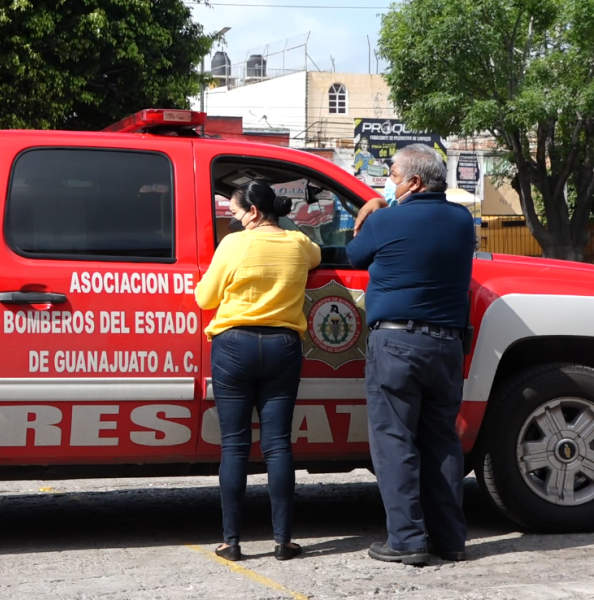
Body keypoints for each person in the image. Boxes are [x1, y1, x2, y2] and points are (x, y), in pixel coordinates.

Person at [346, 144, 475, 565]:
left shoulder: (386, 219)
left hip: (398, 343)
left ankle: (406, 539)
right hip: (447, 346)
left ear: (415, 181)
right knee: (442, 442)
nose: (390, 180)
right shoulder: (461, 220)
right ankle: (450, 539)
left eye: (394, 174)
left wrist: (369, 210)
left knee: (395, 440)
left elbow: (353, 255)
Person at [195, 180, 321, 562]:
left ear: (253, 211)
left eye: (234, 213)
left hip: (234, 347)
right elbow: (315, 255)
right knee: (278, 445)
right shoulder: (298, 244)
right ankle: (284, 541)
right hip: (283, 346)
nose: (233, 221)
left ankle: (231, 542)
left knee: (234, 445)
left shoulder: (233, 244)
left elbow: (205, 298)